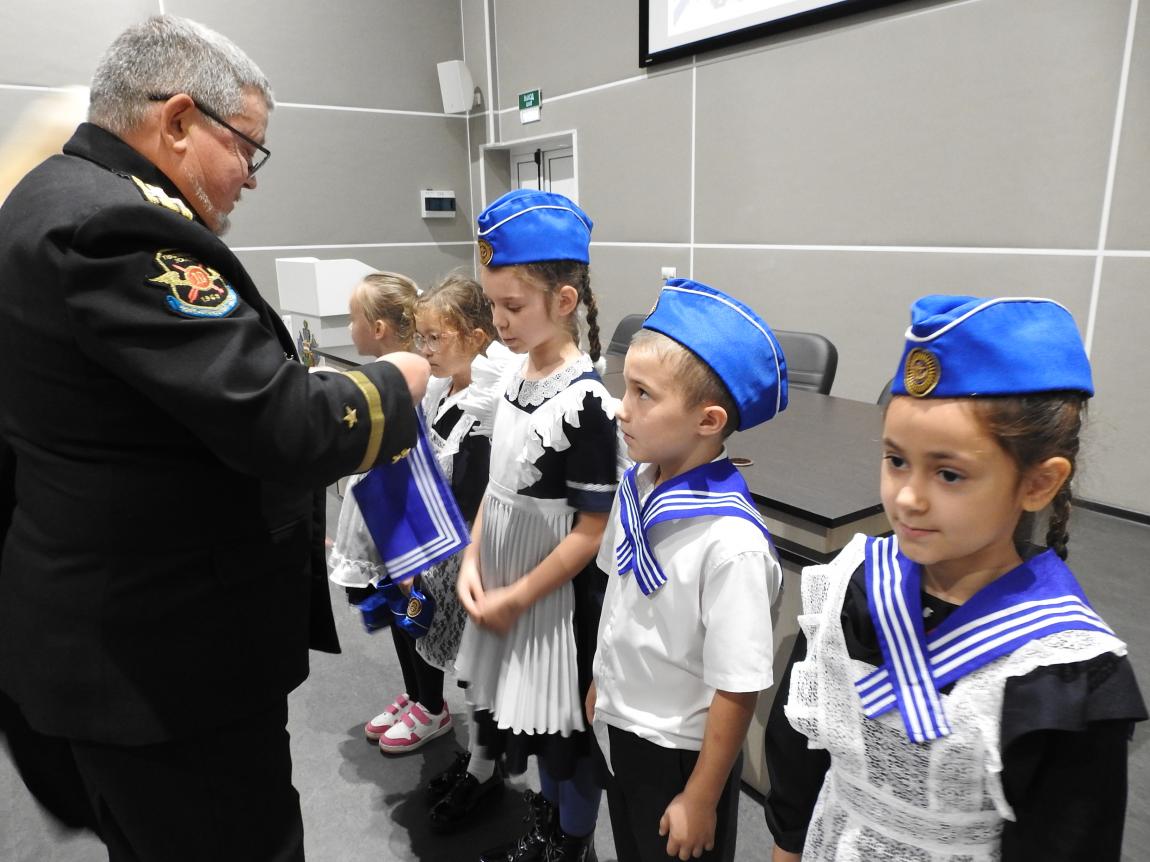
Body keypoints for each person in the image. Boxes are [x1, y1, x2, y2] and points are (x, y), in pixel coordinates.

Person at [0, 15, 429, 862]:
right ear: (178, 120)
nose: (252, 179)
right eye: (249, 148)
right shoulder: (117, 228)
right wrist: (398, 381)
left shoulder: (44, 198)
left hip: (107, 630)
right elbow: (283, 426)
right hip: (164, 665)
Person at [764, 295, 1148, 861]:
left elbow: (1069, 842)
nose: (908, 499)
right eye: (896, 460)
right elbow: (800, 749)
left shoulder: (1062, 673)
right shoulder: (856, 585)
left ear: (1039, 484)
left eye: (949, 473)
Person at [432, 189, 618, 862]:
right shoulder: (511, 374)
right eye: (493, 306)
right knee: (530, 726)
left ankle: (571, 845)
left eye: (514, 307)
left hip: (558, 601)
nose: (500, 322)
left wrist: (515, 595)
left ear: (563, 303)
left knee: (565, 739)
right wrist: (477, 554)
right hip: (511, 584)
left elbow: (590, 532)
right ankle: (545, 826)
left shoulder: (587, 403)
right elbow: (500, 488)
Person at [586, 278, 787, 862]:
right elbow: (619, 599)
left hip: (683, 750)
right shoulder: (636, 486)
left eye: (644, 394)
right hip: (624, 720)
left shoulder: (732, 543)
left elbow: (738, 683)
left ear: (708, 420)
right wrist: (603, 680)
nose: (623, 407)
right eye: (627, 386)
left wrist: (701, 796)